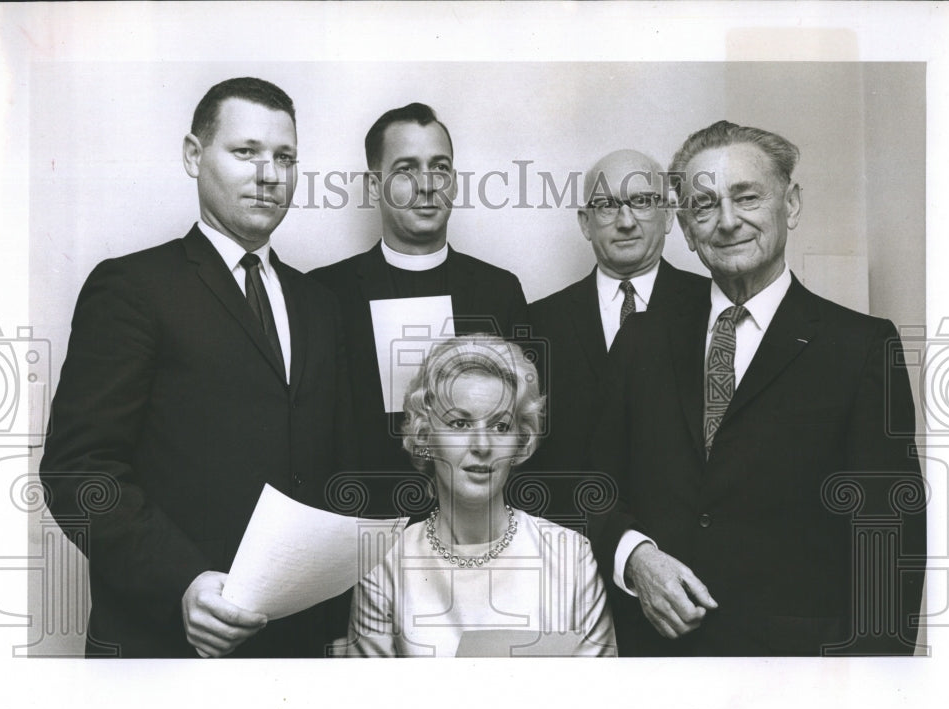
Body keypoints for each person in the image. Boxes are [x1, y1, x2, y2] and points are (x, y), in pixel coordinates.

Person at [40, 77, 353, 658]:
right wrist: (181, 582)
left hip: (298, 649)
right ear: (193, 155)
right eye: (245, 152)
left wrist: (338, 621)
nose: (270, 174)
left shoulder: (320, 305)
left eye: (285, 157)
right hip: (164, 640)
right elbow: (78, 473)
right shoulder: (132, 288)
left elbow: (328, 473)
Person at [588, 120, 926, 656]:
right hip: (655, 665)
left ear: (789, 204)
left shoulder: (860, 347)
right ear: (685, 225)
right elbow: (594, 484)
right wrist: (633, 555)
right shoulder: (641, 339)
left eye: (746, 197)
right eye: (704, 205)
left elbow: (887, 539)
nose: (726, 222)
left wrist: (875, 688)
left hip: (799, 673)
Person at [308, 104, 528, 516]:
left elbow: (521, 430)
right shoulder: (324, 292)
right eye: (407, 170)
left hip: (474, 534)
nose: (427, 185)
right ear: (375, 186)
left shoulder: (499, 291)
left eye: (440, 167)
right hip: (358, 532)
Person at [347, 336, 616, 657]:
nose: (482, 445)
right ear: (424, 437)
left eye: (500, 427)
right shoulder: (384, 566)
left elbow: (600, 699)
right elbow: (372, 703)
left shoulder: (571, 558)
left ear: (521, 442)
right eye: (460, 423)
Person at [529, 150, 708, 475]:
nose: (626, 222)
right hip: (573, 520)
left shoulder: (713, 306)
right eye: (608, 205)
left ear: (668, 215)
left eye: (642, 201)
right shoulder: (538, 322)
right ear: (586, 222)